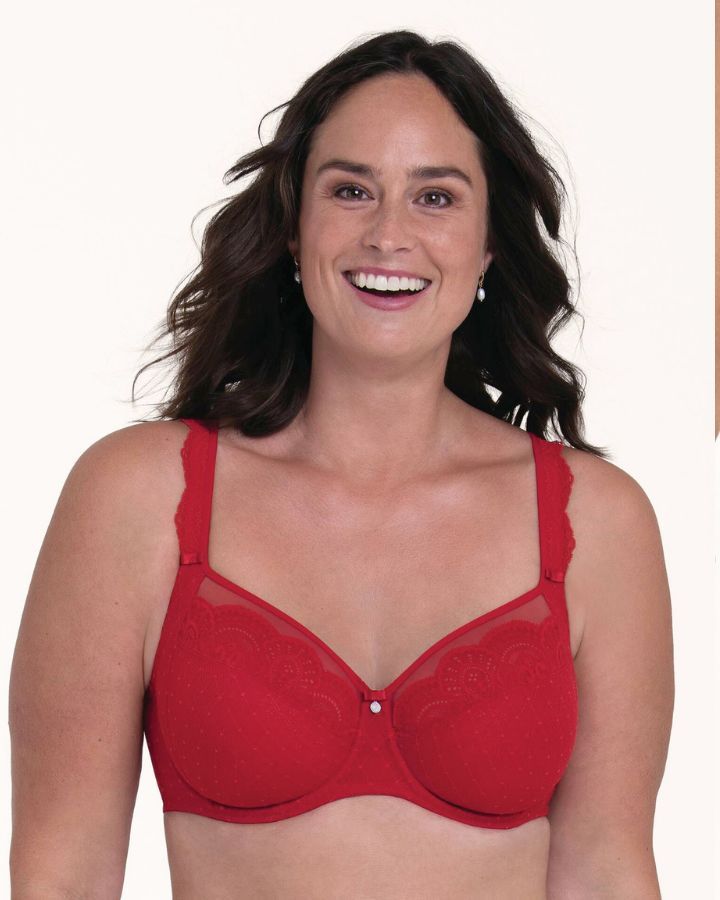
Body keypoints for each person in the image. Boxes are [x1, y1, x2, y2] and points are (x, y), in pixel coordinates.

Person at [9, 30, 674, 900]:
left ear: (488, 245)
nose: (389, 234)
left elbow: (607, 873)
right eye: (351, 190)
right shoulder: (138, 497)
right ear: (295, 229)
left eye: (435, 197)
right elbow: (60, 874)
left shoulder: (597, 522)